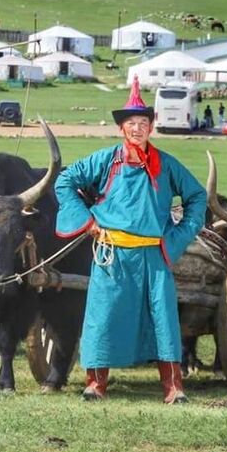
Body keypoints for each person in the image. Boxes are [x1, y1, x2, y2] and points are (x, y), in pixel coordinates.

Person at [55, 77, 207, 404]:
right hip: (111, 256)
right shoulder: (104, 161)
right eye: (131, 124)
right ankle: (95, 384)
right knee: (104, 315)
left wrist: (175, 239)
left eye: (143, 123)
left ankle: (173, 387)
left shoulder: (167, 165)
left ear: (151, 127)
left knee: (163, 318)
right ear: (121, 129)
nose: (137, 129)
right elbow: (65, 182)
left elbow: (197, 197)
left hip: (153, 257)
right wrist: (87, 221)